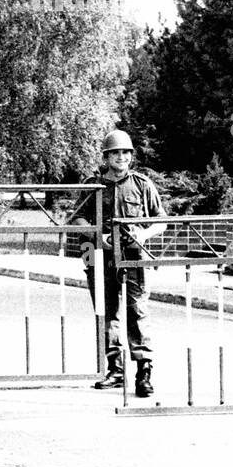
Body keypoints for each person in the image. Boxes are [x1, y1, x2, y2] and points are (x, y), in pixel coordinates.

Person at [69, 130, 167, 397]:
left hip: (135, 255)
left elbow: (161, 220)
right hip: (99, 255)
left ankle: (144, 371)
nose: (121, 157)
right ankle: (114, 368)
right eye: (115, 153)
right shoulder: (94, 185)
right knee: (107, 310)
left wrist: (143, 233)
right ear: (106, 157)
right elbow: (76, 219)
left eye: (125, 153)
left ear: (131, 156)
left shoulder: (143, 184)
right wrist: (97, 235)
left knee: (138, 311)